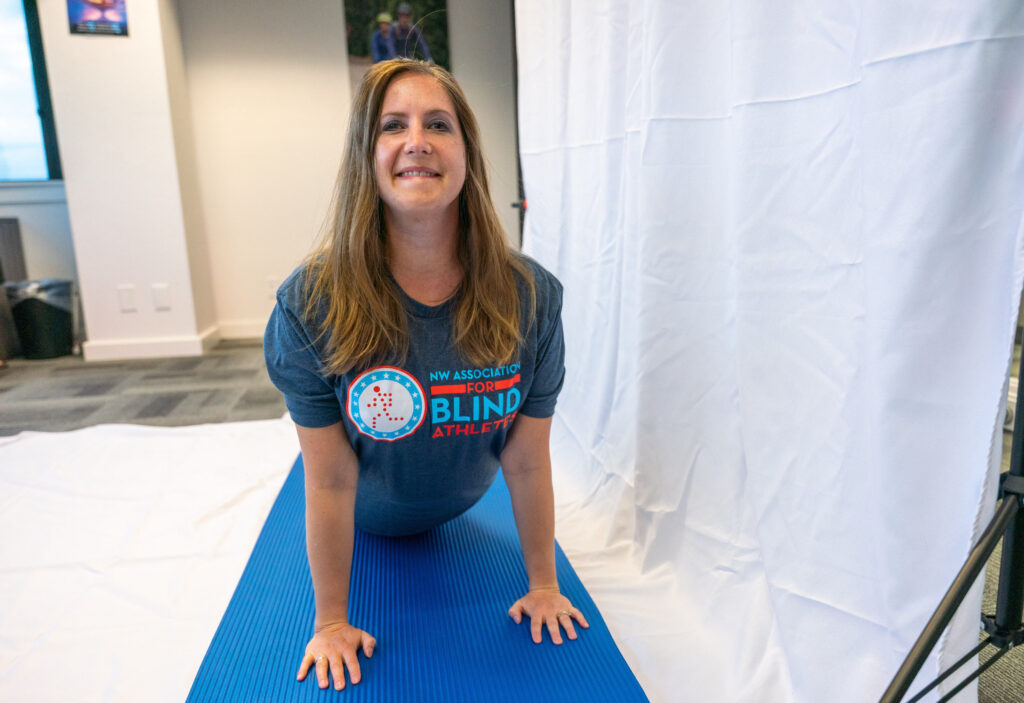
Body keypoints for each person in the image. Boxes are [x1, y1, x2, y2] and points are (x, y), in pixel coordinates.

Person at [264, 58, 588, 692]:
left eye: (438, 123)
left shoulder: (532, 297)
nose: (417, 140)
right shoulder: (309, 302)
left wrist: (544, 584)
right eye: (393, 125)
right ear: (367, 157)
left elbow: (526, 461)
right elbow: (328, 479)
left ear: (467, 155)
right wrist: (331, 621)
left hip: (462, 505)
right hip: (370, 515)